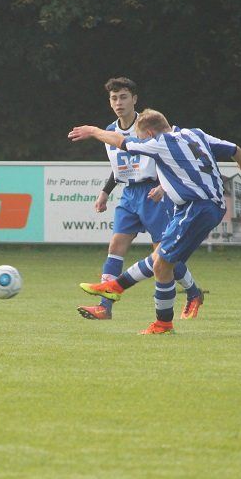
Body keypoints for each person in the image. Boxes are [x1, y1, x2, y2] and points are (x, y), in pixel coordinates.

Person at [70, 109, 241, 334]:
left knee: (162, 260)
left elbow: (121, 142)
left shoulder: (159, 142)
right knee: (161, 262)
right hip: (203, 206)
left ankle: (120, 291)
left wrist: (93, 131)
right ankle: (154, 316)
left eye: (143, 138)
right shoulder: (194, 134)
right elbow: (234, 149)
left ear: (150, 133)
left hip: (196, 207)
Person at [77, 77, 204, 321]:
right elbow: (119, 165)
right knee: (116, 246)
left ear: (134, 99)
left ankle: (193, 292)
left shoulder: (148, 126)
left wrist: (163, 186)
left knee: (163, 255)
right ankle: (104, 306)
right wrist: (105, 191)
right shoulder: (110, 131)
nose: (119, 102)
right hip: (129, 195)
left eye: (124, 97)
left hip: (154, 194)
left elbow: (171, 156)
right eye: (114, 98)